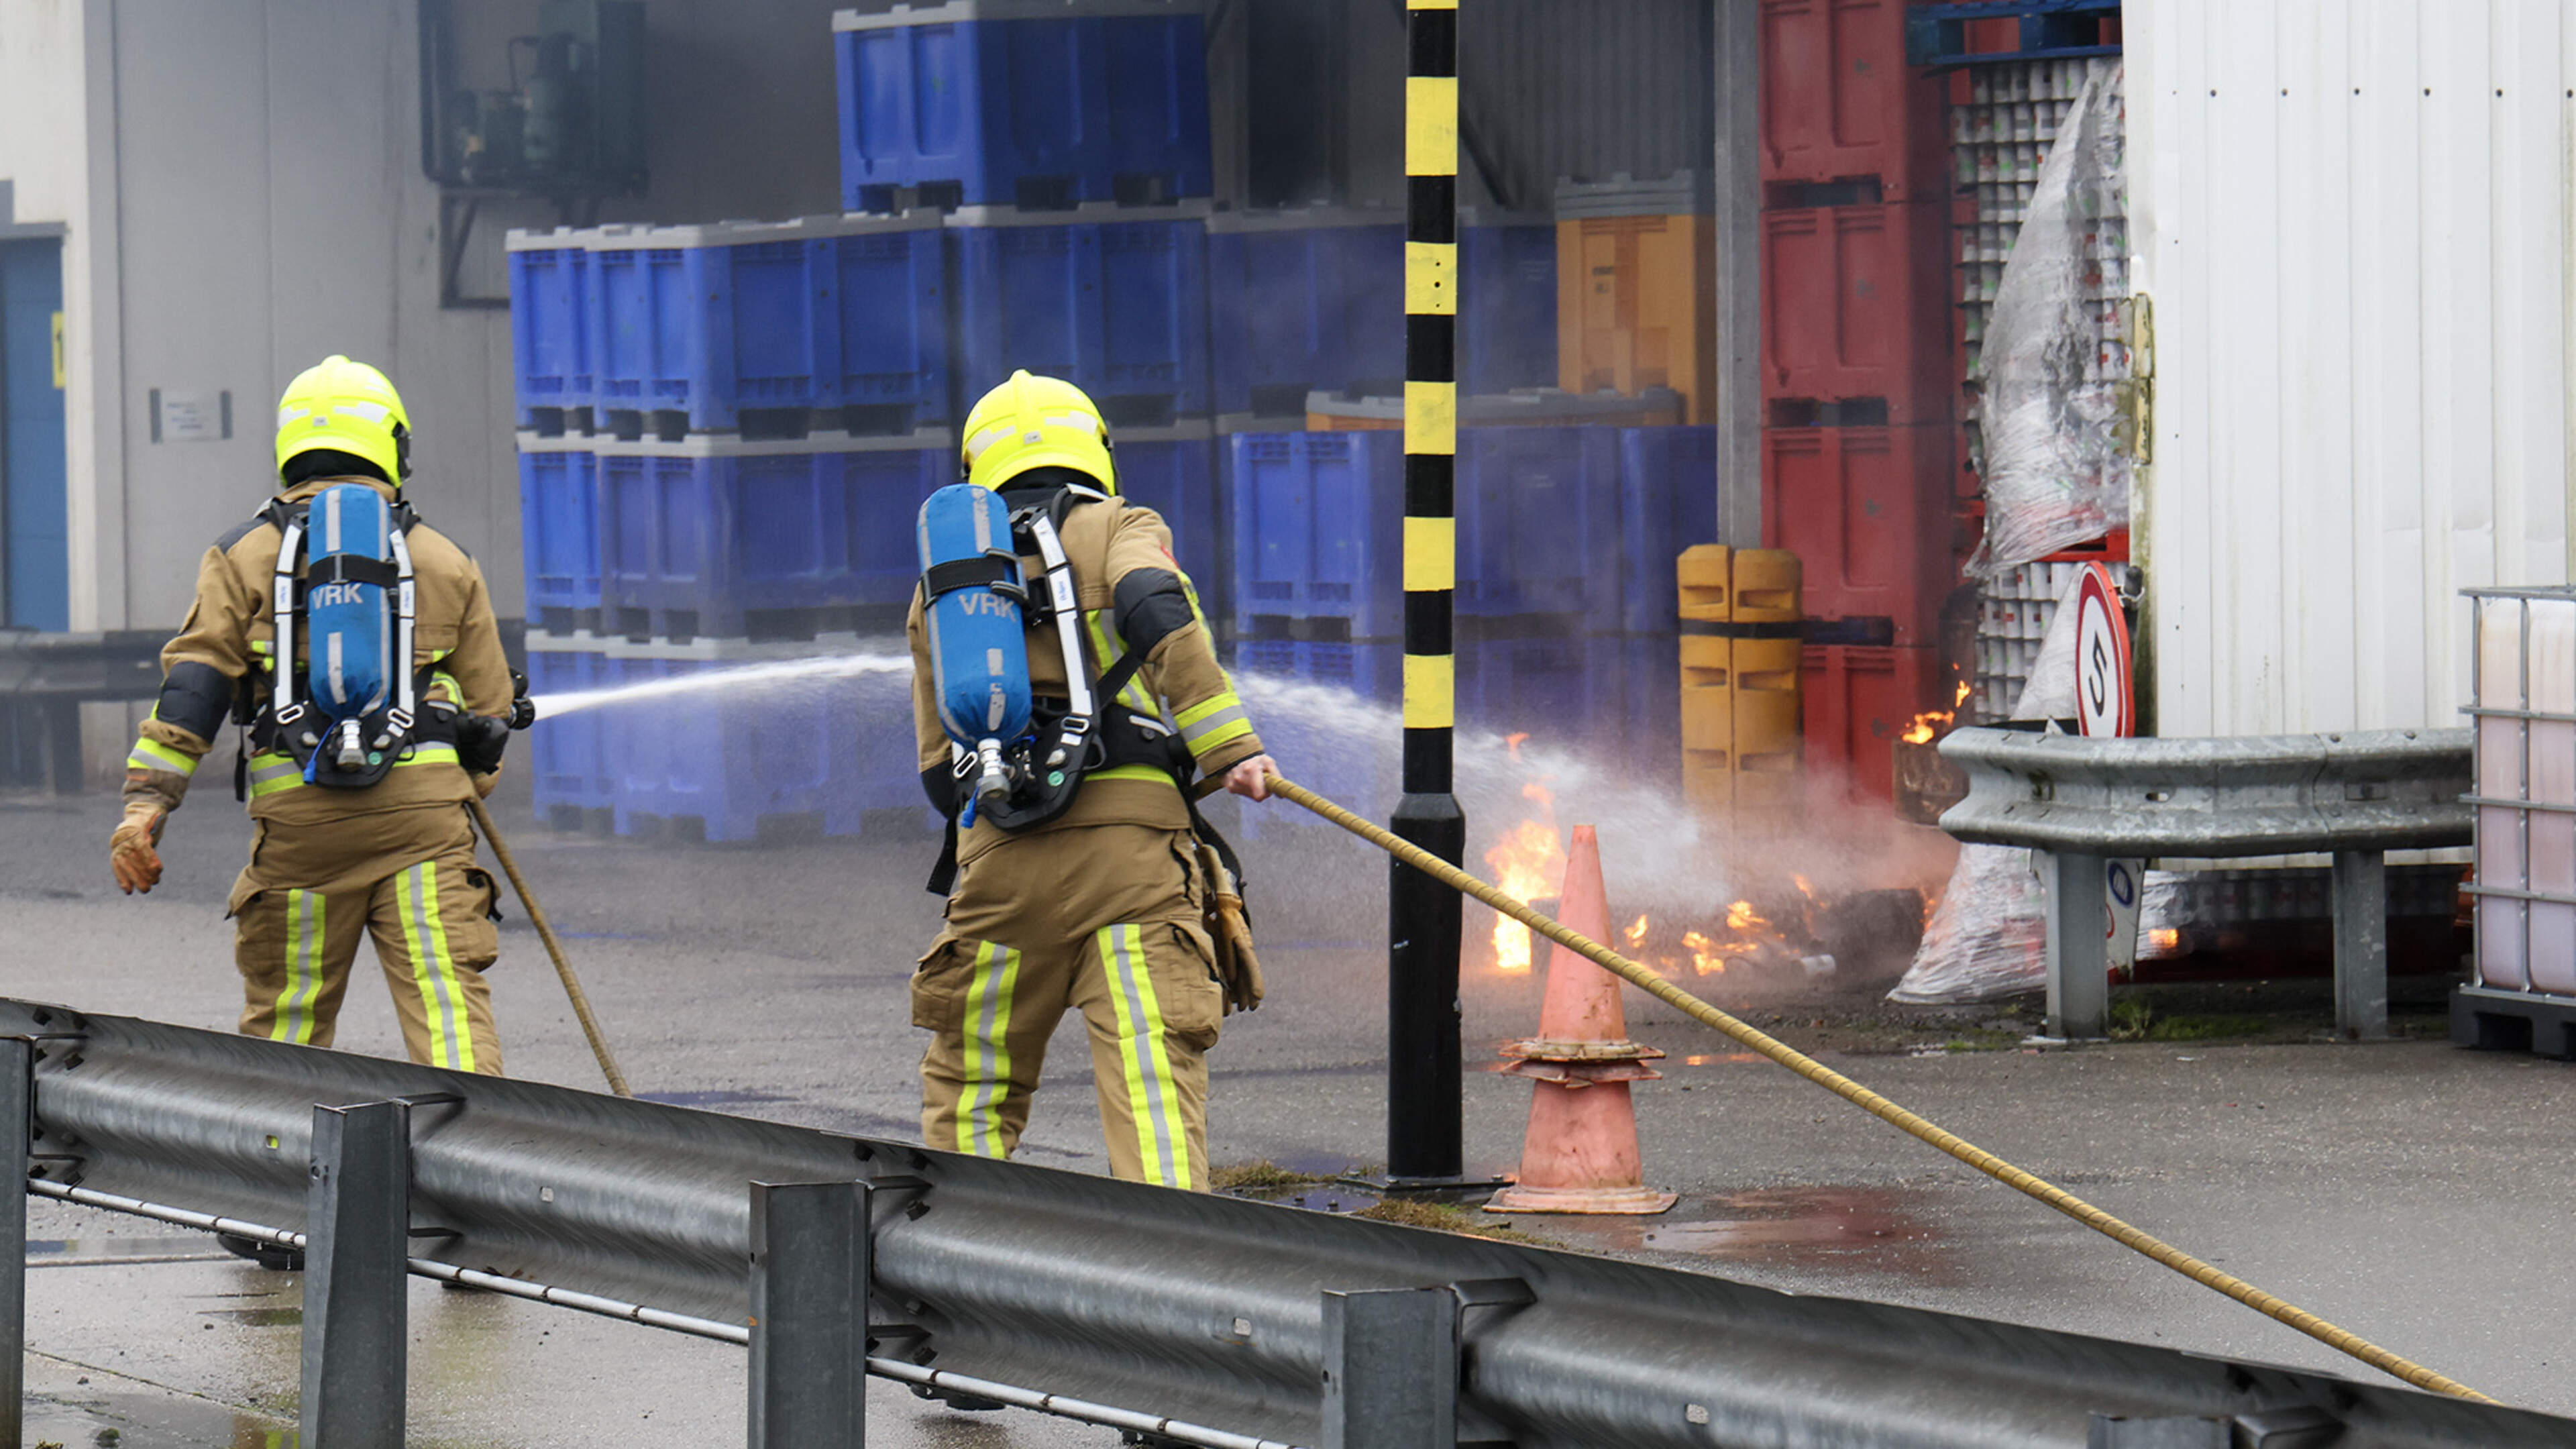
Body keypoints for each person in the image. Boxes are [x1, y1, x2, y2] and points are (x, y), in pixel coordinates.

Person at [908, 370, 1273, 1191]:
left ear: (977, 466)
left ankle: (952, 1274)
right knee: (1152, 1099)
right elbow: (1154, 603)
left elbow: (941, 776)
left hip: (1000, 871)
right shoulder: (1121, 524)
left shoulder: (949, 581)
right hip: (1134, 873)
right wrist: (1229, 748)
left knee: (972, 1092)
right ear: (1096, 451)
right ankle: (1168, 1281)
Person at [109, 355, 517, 1077]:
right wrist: (452, 770)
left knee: (289, 1023)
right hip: (423, 831)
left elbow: (196, 687)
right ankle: (473, 1171)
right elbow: (490, 723)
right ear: (393, 445)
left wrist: (145, 808)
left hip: (300, 830)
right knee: (450, 1010)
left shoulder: (244, 555)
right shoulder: (444, 560)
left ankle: (279, 1167)